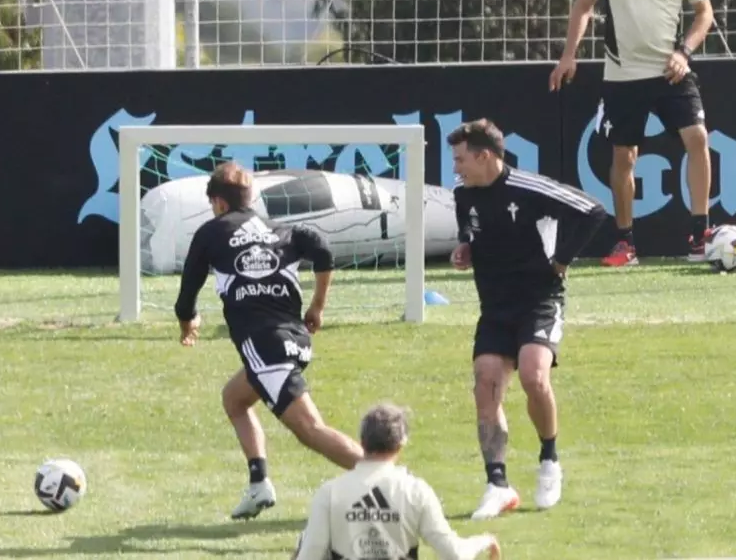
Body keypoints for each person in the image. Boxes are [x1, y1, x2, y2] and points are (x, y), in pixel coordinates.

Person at [174, 161, 365, 520]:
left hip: (265, 346)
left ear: (218, 203)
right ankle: (259, 483)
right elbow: (323, 249)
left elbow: (186, 298)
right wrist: (318, 306)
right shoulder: (281, 230)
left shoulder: (211, 233)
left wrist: (188, 323)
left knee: (310, 429)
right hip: (296, 341)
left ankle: (386, 481)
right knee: (234, 399)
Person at [548, 0, 717, 266]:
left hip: (671, 70)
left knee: (698, 138)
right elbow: (584, 5)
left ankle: (700, 235)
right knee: (624, 156)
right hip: (623, 74)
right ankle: (625, 244)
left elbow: (704, 14)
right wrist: (569, 55)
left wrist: (684, 52)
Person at [448, 118, 607, 520]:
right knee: (485, 384)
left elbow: (593, 211)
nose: (456, 168)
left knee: (534, 377)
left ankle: (549, 460)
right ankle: (497, 485)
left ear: (485, 156)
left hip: (539, 300)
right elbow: (470, 228)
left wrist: (562, 259)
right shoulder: (462, 195)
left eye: (461, 159)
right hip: (494, 307)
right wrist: (465, 247)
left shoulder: (531, 188)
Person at [292, 403, 503, 560]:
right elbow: (455, 554)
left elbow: (310, 555)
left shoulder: (330, 492)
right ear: (401, 443)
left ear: (362, 442)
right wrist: (484, 540)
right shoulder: (415, 491)